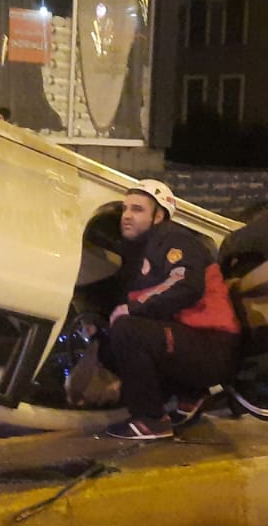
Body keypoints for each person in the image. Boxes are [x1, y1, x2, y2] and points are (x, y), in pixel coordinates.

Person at [101, 179, 241, 441]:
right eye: (125, 209)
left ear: (159, 216)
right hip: (191, 343)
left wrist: (131, 309)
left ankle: (152, 421)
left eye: (137, 209)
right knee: (113, 335)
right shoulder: (143, 250)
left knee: (127, 331)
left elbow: (185, 284)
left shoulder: (174, 240)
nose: (127, 216)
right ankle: (190, 393)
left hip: (213, 345)